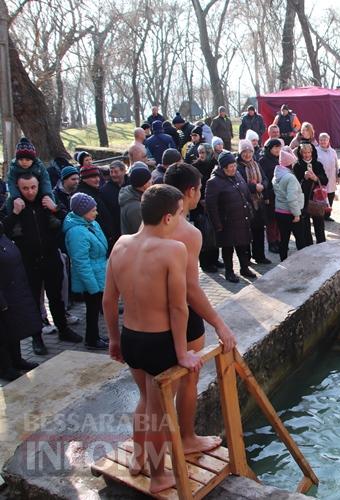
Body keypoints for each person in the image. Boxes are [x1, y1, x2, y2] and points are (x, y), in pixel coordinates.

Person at [103, 184, 203, 494]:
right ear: (168, 217)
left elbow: (109, 300)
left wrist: (114, 340)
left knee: (145, 401)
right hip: (159, 343)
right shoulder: (172, 250)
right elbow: (177, 307)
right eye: (180, 214)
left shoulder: (120, 244)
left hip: (132, 338)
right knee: (159, 412)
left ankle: (138, 455)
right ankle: (159, 475)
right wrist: (182, 353)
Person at [163, 163, 238, 455]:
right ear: (190, 191)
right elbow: (191, 289)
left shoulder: (148, 223)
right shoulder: (188, 232)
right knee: (188, 379)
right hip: (182, 313)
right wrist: (219, 323)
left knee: (152, 392)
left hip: (150, 319)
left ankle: (145, 453)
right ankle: (186, 438)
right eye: (199, 188)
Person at [1, 174, 81, 355]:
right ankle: (36, 338)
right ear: (18, 188)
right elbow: (3, 229)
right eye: (25, 188)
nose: (30, 192)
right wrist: (14, 213)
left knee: (56, 297)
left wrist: (54, 209)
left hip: (51, 258)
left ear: (39, 186)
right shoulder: (13, 205)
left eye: (33, 187)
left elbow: (68, 220)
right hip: (29, 262)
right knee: (34, 301)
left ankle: (63, 329)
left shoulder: (46, 201)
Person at [63, 193, 109, 350]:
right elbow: (81, 263)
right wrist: (93, 287)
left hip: (98, 273)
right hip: (92, 279)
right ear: (82, 212)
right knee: (92, 310)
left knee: (94, 310)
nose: (96, 213)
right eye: (93, 210)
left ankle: (95, 335)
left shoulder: (91, 224)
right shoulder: (77, 232)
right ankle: (91, 339)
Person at [0, 221, 41, 381]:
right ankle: (5, 368)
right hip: (3, 295)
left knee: (14, 328)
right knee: (2, 335)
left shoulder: (3, 235)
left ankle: (16, 360)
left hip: (13, 291)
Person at [205, 152, 254, 283]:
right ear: (223, 167)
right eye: (230, 166)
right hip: (226, 222)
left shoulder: (237, 175)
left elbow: (246, 192)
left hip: (241, 218)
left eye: (234, 165)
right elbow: (211, 206)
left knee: (243, 246)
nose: (233, 168)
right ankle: (229, 272)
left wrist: (250, 208)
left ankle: (244, 268)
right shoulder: (214, 182)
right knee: (228, 248)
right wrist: (217, 224)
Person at [236, 140, 271, 265]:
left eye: (250, 151)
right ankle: (246, 259)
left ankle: (259, 255)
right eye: (244, 152)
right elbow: (240, 184)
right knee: (246, 232)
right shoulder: (238, 167)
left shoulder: (256, 164)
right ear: (240, 153)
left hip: (258, 203)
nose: (247, 154)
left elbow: (265, 178)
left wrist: (263, 185)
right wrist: (253, 188)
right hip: (245, 203)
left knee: (259, 230)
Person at [4, 137, 54, 212]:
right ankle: (12, 214)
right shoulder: (14, 168)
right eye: (21, 159)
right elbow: (11, 183)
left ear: (33, 160)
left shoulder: (39, 166)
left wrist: (46, 194)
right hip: (20, 192)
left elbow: (45, 180)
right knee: (10, 201)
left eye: (27, 160)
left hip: (37, 190)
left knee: (50, 198)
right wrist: (16, 197)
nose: (24, 162)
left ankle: (51, 213)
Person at [272, 150, 305, 261]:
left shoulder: (277, 175)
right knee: (300, 238)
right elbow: (291, 198)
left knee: (284, 238)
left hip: (279, 211)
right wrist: (296, 214)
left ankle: (283, 260)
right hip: (290, 212)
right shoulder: (290, 178)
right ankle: (302, 260)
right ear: (290, 164)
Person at [293, 143, 328, 245]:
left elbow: (325, 180)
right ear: (300, 153)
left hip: (317, 198)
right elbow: (295, 183)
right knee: (305, 223)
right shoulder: (297, 165)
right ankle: (308, 245)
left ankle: (321, 244)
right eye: (304, 153)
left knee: (319, 222)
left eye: (308, 152)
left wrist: (316, 178)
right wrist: (304, 178)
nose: (307, 155)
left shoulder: (318, 164)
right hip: (304, 198)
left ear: (312, 152)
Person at [77, 163, 116, 249]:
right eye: (93, 177)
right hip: (98, 241)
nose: (97, 179)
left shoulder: (95, 191)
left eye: (98, 176)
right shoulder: (84, 196)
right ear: (84, 179)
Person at [119, 164, 153, 235]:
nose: (152, 182)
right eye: (150, 180)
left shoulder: (133, 194)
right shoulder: (136, 208)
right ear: (144, 185)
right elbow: (141, 233)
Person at [100, 160, 128, 241]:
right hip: (116, 229)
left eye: (116, 172)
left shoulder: (132, 184)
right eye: (111, 172)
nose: (113, 175)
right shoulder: (105, 190)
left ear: (123, 171)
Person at [316, 133, 338, 220]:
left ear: (328, 140)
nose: (323, 142)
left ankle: (327, 215)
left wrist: (337, 176)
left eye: (325, 140)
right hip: (321, 178)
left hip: (331, 177)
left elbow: (336, 164)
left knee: (330, 196)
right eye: (321, 140)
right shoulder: (316, 151)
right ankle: (320, 215)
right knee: (321, 196)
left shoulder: (333, 151)